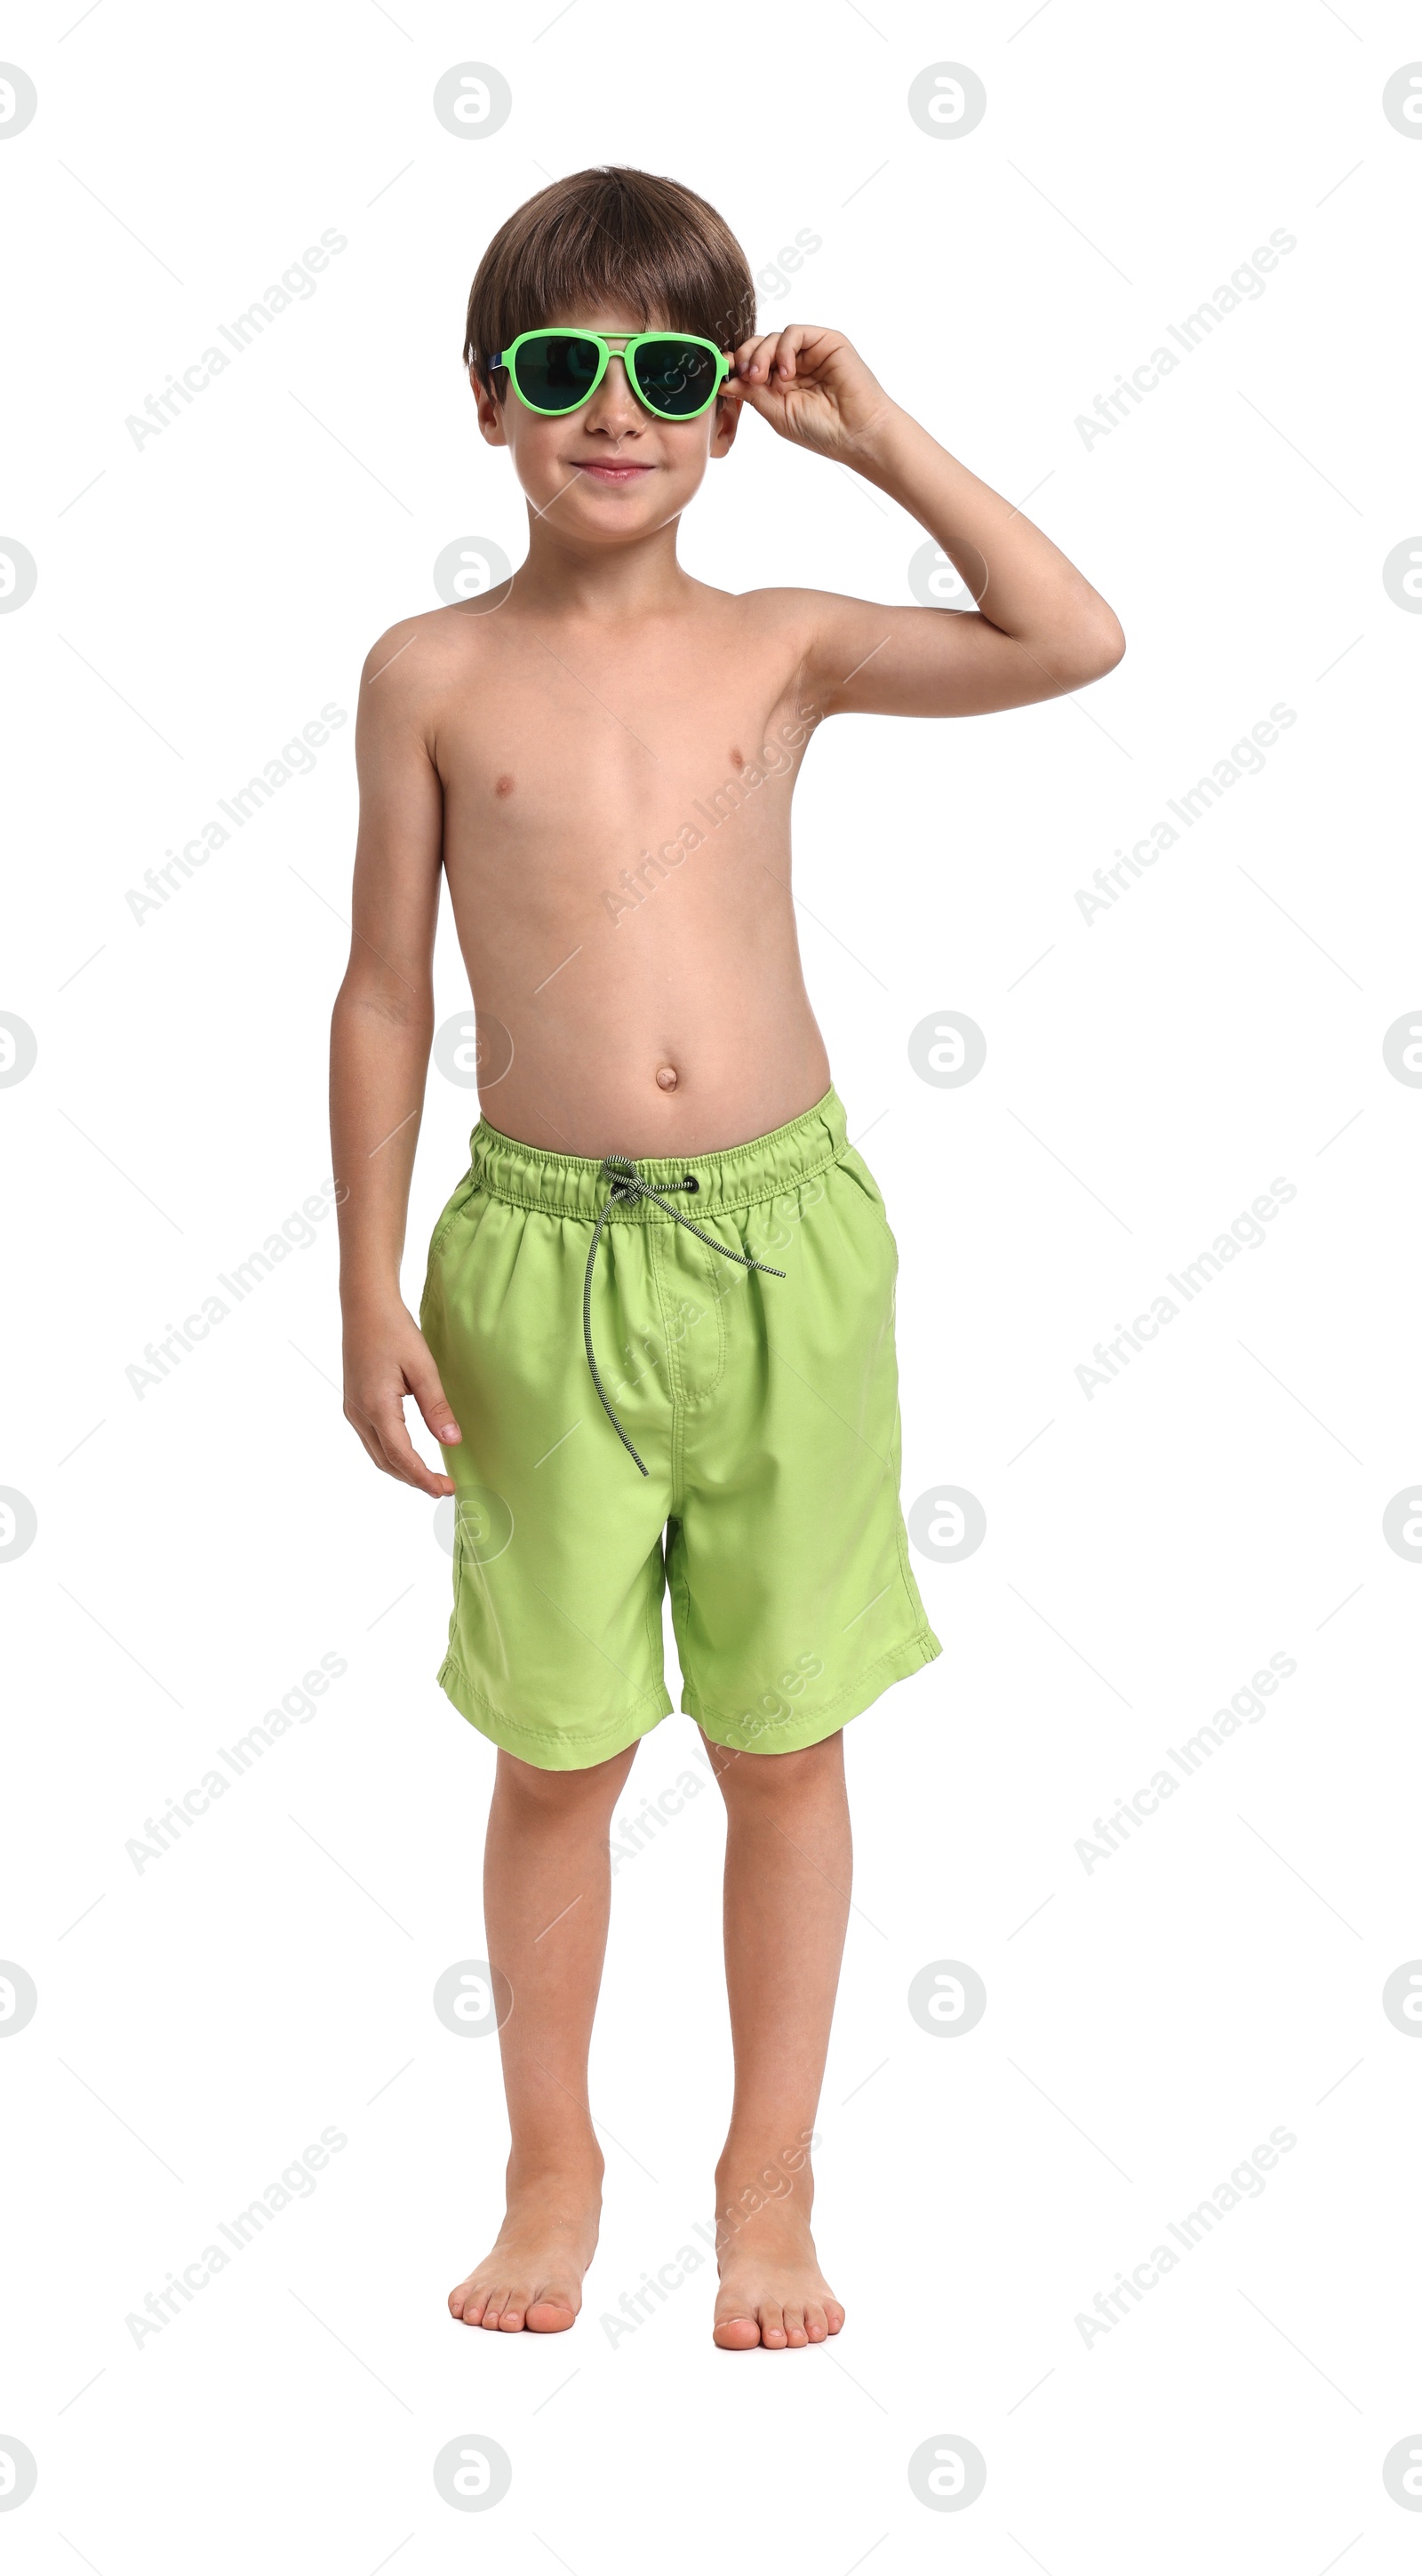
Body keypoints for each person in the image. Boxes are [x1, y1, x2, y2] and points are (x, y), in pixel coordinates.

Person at [330, 164, 1123, 2351]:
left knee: (783, 1745)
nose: (616, 408)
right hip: (531, 1268)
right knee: (559, 1748)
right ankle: (549, 2157)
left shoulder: (783, 643)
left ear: (720, 409)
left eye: (667, 370)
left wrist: (879, 441)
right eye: (564, 369)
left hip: (785, 1251)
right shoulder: (428, 672)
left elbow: (1069, 639)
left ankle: (766, 2180)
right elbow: (384, 990)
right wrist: (362, 1280)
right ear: (490, 403)